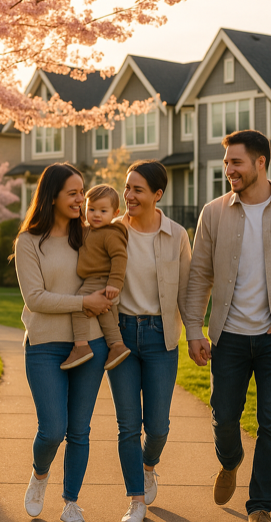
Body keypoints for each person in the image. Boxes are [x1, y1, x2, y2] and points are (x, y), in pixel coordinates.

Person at [185, 130, 271, 522]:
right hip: (228, 337)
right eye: (226, 162)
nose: (229, 169)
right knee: (223, 416)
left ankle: (260, 506)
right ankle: (230, 461)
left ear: (261, 162)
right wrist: (194, 331)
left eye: (236, 162)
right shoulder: (213, 213)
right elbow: (199, 276)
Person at [13, 163, 114, 522]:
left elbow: (118, 258)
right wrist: (84, 302)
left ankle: (70, 501)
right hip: (44, 345)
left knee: (80, 430)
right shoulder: (28, 242)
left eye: (82, 192)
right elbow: (36, 299)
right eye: (72, 193)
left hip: (92, 344)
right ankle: (40, 475)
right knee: (53, 429)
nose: (80, 199)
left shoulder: (90, 235)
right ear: (51, 195)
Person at [107, 160, 192, 522]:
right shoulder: (110, 232)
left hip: (161, 337)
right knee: (128, 426)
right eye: (127, 187)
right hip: (121, 335)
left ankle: (148, 463)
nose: (128, 196)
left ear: (157, 195)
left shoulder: (176, 235)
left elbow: (188, 291)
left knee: (157, 427)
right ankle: (136, 501)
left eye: (138, 189)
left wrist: (196, 334)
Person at [64, 184, 132, 370]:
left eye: (103, 211)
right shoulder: (87, 230)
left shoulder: (110, 234)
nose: (96, 214)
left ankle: (81, 346)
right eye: (91, 209)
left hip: (101, 281)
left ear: (115, 212)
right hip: (93, 281)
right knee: (106, 315)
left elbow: (119, 257)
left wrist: (114, 284)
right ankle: (117, 345)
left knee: (79, 304)